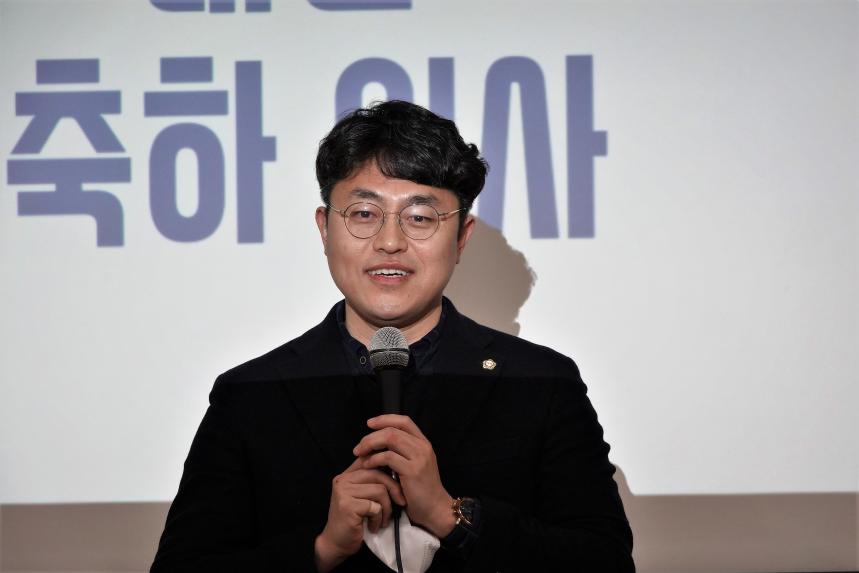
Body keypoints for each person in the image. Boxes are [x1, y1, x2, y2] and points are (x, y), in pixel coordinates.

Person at [151, 100, 634, 572]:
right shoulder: (250, 395)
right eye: (364, 213)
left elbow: (606, 561)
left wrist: (452, 516)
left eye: (420, 217)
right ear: (325, 229)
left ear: (461, 237)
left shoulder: (542, 383)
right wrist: (321, 549)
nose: (389, 242)